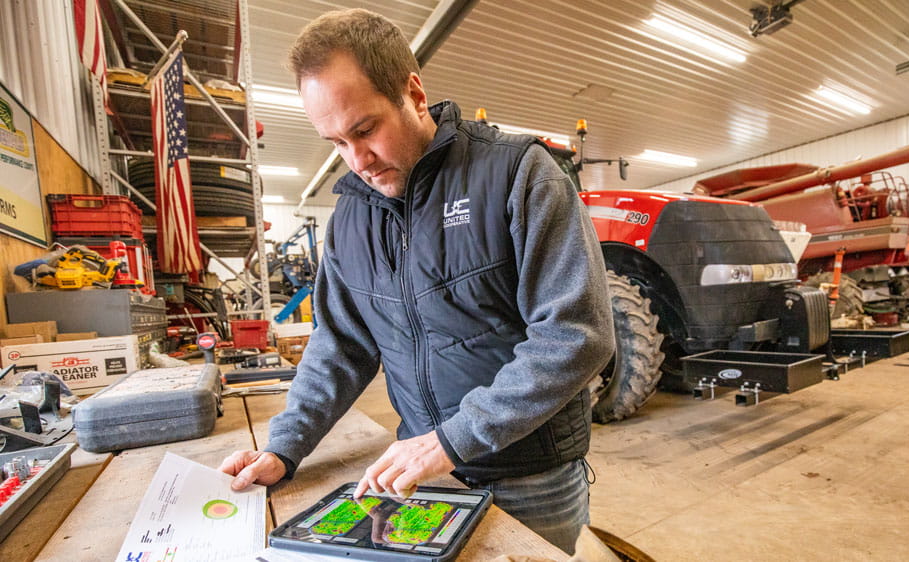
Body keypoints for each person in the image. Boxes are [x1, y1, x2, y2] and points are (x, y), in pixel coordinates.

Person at [218, 8, 613, 553]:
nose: (356, 160)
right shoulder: (351, 221)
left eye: (365, 129)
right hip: (426, 478)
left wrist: (451, 439)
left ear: (414, 93)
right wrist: (284, 448)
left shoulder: (518, 175)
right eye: (335, 142)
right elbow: (340, 346)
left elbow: (577, 333)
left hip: (532, 479)